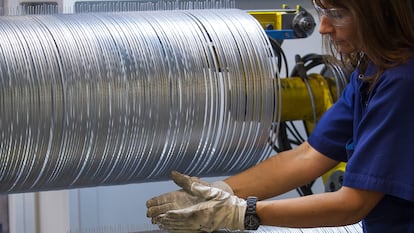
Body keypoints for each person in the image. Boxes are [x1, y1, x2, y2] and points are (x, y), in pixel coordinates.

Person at [146, 0, 414, 232]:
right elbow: (308, 155)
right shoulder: (371, 71)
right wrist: (220, 192)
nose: (323, 27)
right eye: (322, 12)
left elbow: (353, 204)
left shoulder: (402, 81)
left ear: (381, 13)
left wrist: (245, 213)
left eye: (337, 14)